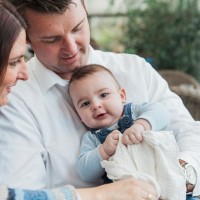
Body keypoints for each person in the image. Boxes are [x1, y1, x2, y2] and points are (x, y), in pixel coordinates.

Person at [0, 0, 199, 199]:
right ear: (27, 38)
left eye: (78, 28)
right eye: (52, 39)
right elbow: (23, 192)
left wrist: (179, 179)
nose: (71, 48)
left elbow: (189, 132)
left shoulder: (135, 70)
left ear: (85, 9)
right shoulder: (12, 99)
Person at [68, 64, 169, 183]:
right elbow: (84, 172)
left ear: (122, 96)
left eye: (103, 95)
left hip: (163, 175)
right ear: (79, 115)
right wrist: (103, 151)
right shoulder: (91, 138)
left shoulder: (135, 111)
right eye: (85, 103)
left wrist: (140, 125)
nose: (96, 105)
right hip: (125, 190)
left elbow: (162, 112)